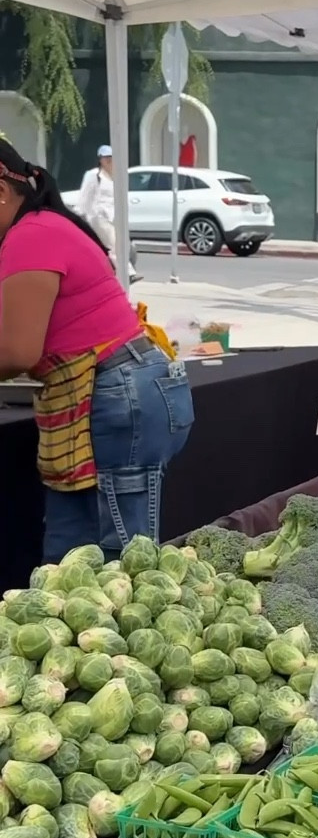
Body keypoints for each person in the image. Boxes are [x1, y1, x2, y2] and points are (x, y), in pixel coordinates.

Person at [0, 136, 194, 558]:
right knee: (69, 559)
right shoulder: (41, 228)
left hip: (118, 394)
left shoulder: (30, 236)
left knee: (118, 560)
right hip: (124, 388)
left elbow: (16, 351)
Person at [76, 145, 140, 284]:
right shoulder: (93, 175)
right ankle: (128, 274)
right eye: (106, 158)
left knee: (124, 245)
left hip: (113, 217)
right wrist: (80, 214)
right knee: (113, 244)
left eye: (111, 158)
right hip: (98, 216)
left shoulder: (116, 175)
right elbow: (85, 196)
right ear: (100, 160)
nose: (109, 161)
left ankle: (117, 273)